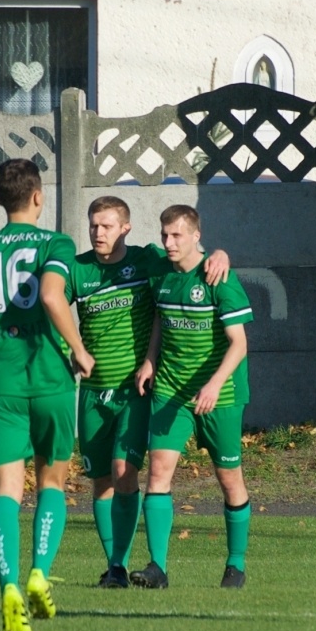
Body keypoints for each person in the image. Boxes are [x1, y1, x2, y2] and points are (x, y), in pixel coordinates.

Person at [0, 158, 91, 631]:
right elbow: (52, 297)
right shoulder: (56, 244)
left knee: (6, 490)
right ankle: (38, 573)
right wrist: (78, 347)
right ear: (37, 196)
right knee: (52, 482)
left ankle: (8, 585)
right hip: (48, 379)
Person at [62, 195, 230, 589]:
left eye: (106, 225)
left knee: (125, 473)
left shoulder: (146, 259)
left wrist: (219, 252)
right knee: (100, 480)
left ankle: (128, 564)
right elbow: (52, 308)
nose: (98, 232)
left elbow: (188, 254)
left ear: (125, 228)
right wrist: (69, 349)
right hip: (92, 392)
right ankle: (115, 567)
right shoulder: (77, 270)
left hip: (134, 390)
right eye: (93, 225)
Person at [133, 204, 253, 590]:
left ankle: (235, 565)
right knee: (157, 472)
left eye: (177, 236)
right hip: (171, 390)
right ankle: (157, 567)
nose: (168, 243)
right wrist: (150, 360)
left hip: (221, 394)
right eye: (165, 235)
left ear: (196, 236)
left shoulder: (219, 277)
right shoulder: (161, 272)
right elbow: (158, 318)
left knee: (229, 478)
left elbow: (239, 344)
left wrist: (215, 384)